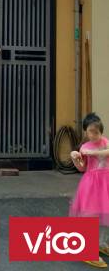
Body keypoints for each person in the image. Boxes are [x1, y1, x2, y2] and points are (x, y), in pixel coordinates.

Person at [70, 113, 109, 268]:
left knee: (105, 214)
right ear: (85, 131)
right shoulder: (84, 147)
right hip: (91, 185)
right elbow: (82, 167)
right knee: (91, 215)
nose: (94, 135)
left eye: (97, 132)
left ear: (101, 131)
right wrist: (75, 158)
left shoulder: (105, 142)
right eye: (91, 131)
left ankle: (102, 243)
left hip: (106, 183)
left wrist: (93, 153)